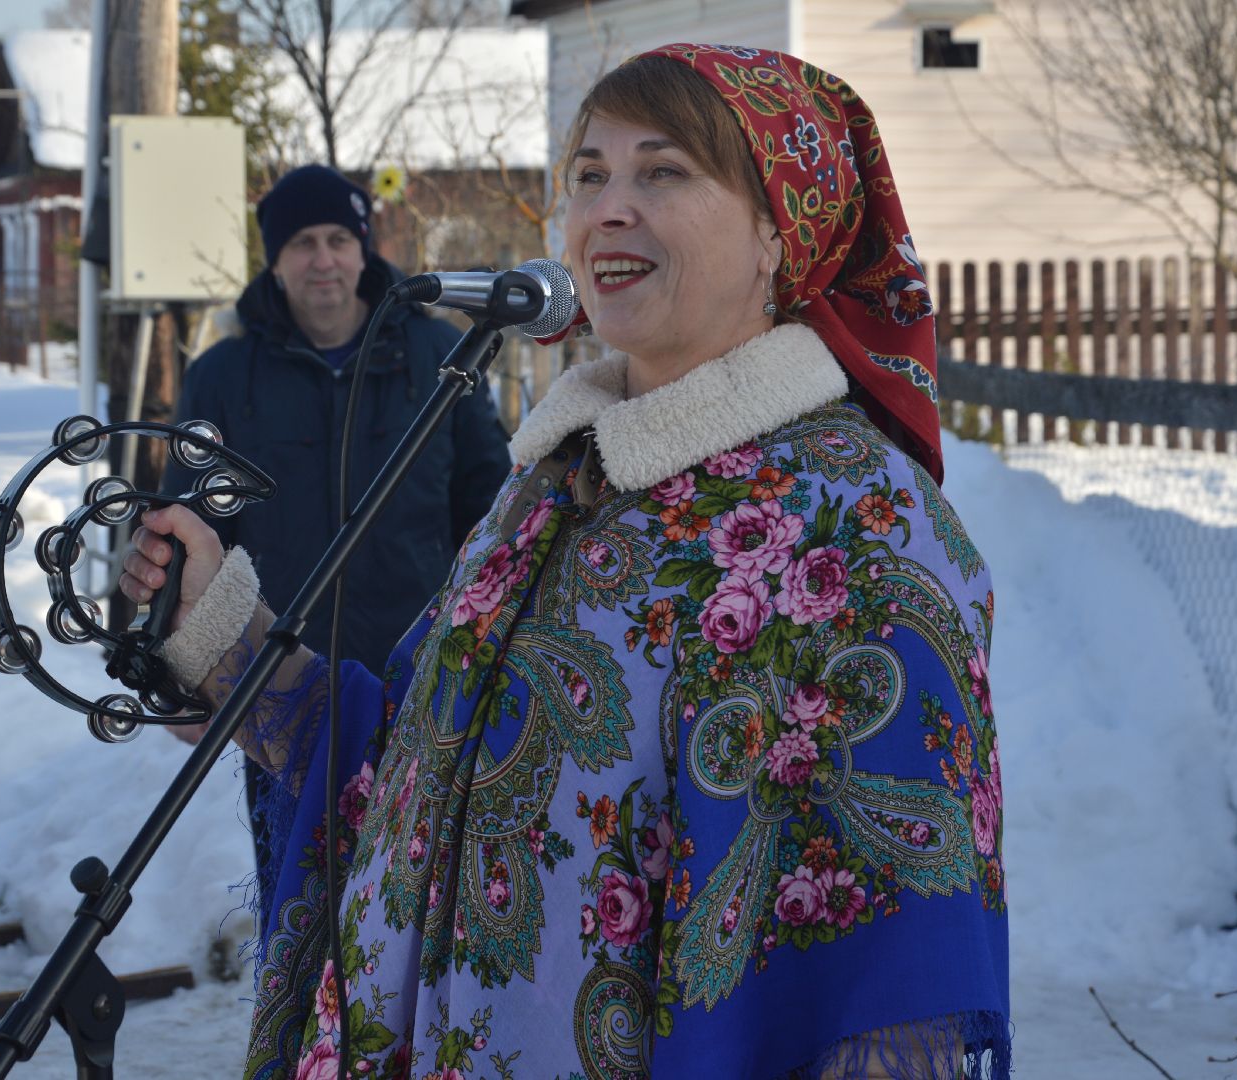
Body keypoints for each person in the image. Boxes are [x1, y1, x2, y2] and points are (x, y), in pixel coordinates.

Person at [126, 44, 1009, 1078]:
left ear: (780, 233)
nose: (607, 208)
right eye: (589, 174)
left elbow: (889, 974)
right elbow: (409, 772)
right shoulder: (547, 490)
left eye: (662, 171)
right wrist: (222, 633)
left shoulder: (855, 531)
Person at [158, 163, 512, 910]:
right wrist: (184, 675)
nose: (323, 259)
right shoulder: (224, 376)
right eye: (302, 244)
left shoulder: (436, 355)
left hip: (419, 679)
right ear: (275, 261)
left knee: (420, 897)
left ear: (362, 247)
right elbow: (187, 526)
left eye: (338, 239)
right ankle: (295, 1028)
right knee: (299, 897)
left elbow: (492, 507)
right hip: (277, 682)